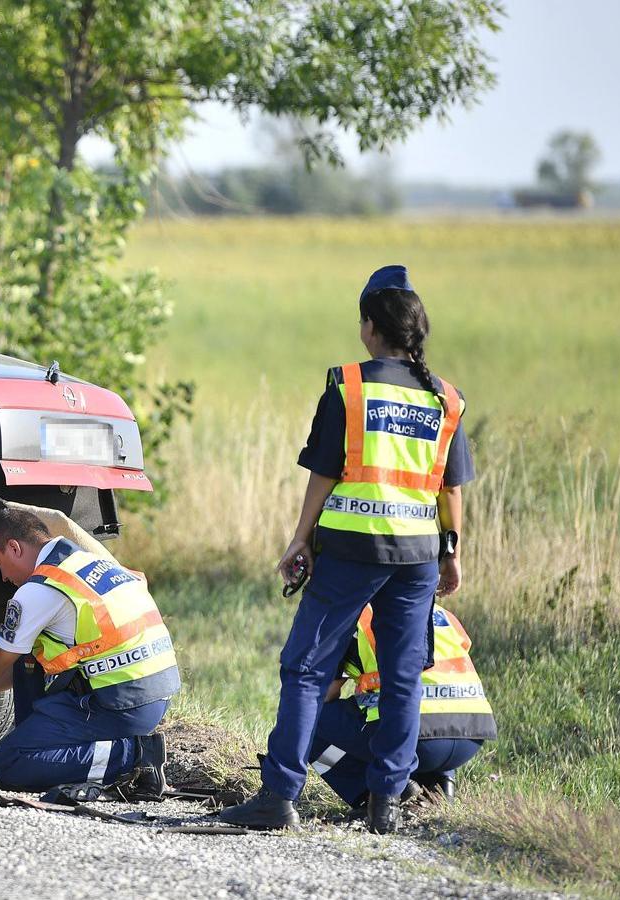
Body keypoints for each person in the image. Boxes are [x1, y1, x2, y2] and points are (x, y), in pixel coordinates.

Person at [219, 264, 475, 834]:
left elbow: (324, 473)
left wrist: (300, 538)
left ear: (369, 326)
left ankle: (279, 795)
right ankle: (386, 804)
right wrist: (451, 552)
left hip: (351, 553)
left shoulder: (348, 385)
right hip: (416, 558)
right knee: (403, 674)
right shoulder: (447, 399)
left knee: (306, 668)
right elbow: (450, 488)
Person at [0, 507, 178, 794]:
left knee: (9, 761)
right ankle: (40, 747)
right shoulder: (89, 562)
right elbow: (16, 665)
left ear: (14, 548)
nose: (2, 577)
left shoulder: (40, 589)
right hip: (154, 692)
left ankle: (134, 757)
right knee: (27, 653)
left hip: (122, 704)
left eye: (0, 563)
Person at [308, 602, 496, 808]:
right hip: (473, 731)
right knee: (430, 703)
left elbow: (324, 694)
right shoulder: (439, 610)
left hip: (417, 740)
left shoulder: (353, 615)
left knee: (310, 722)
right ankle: (440, 787)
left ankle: (379, 793)